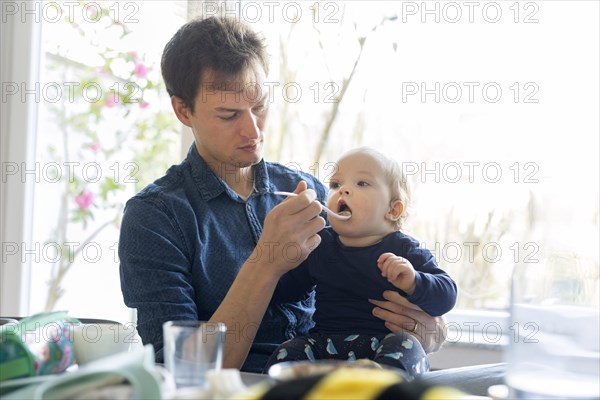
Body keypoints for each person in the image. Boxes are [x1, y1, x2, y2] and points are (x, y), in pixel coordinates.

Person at [118, 17, 507, 396]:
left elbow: (401, 290)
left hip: (356, 377)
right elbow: (184, 370)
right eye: (229, 114)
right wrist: (267, 261)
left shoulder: (313, 194)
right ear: (183, 111)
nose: (253, 130)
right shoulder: (154, 217)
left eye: (260, 107)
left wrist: (429, 330)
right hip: (256, 386)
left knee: (507, 378)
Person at [263, 147, 457, 377]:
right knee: (288, 351)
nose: (343, 190)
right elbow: (285, 294)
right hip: (323, 345)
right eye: (335, 184)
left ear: (393, 209)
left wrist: (414, 281)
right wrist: (283, 260)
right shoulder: (318, 243)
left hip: (383, 346)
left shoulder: (403, 248)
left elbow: (446, 296)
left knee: (407, 347)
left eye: (362, 183)